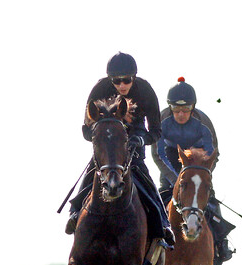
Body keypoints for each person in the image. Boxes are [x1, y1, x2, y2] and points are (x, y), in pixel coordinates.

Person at [66, 52, 175, 247]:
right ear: (110, 80)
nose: (122, 85)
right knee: (95, 168)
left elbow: (156, 131)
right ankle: (75, 211)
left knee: (141, 171)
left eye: (126, 80)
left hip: (135, 137)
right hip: (108, 139)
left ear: (134, 77)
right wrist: (101, 135)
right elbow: (85, 129)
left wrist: (141, 140)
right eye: (117, 81)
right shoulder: (100, 89)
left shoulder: (146, 90)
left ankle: (163, 221)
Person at [152, 77, 235, 262]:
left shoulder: (204, 122)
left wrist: (201, 176)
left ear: (193, 107)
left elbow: (213, 153)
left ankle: (221, 243)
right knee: (158, 199)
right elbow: (157, 154)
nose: (181, 114)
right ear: (170, 107)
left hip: (198, 162)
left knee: (209, 199)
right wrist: (178, 181)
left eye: (186, 110)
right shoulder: (161, 120)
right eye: (176, 110)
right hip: (171, 160)